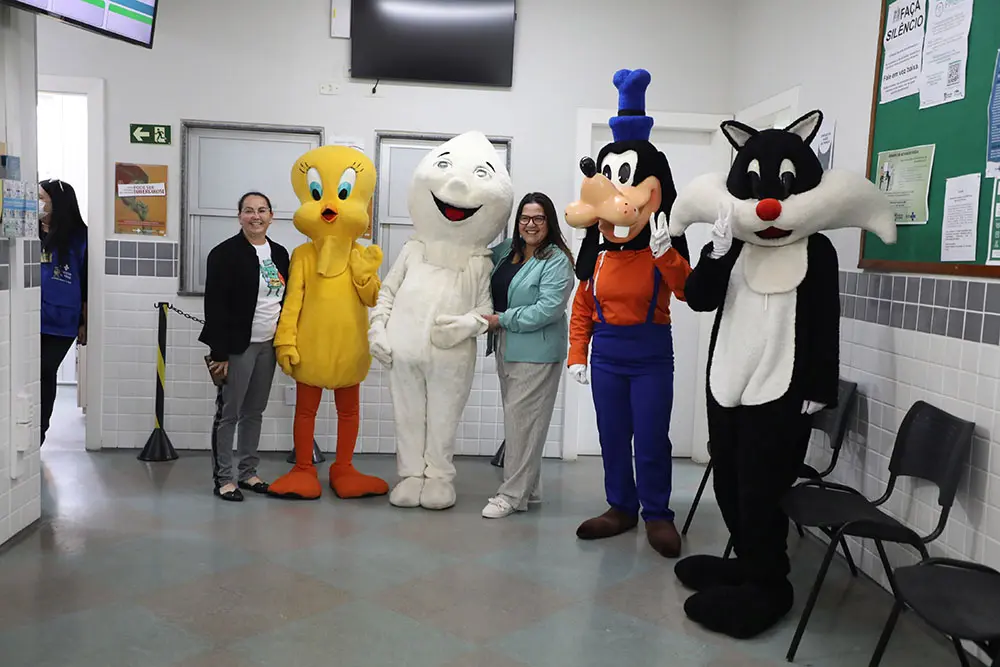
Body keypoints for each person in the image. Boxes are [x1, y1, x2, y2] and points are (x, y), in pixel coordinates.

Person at [482, 192, 574, 519]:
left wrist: (501, 320)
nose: (530, 224)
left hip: (537, 351)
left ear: (549, 222)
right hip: (507, 346)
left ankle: (510, 496)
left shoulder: (557, 260)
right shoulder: (508, 250)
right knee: (521, 422)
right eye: (524, 217)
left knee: (522, 424)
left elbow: (548, 309)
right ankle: (529, 489)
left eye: (538, 218)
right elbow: (477, 256)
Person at [198, 192, 289, 501]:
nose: (256, 216)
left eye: (262, 210)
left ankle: (248, 472)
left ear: (271, 216)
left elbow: (284, 299)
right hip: (237, 347)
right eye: (249, 211)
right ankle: (224, 478)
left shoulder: (279, 254)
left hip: (268, 346)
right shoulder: (224, 254)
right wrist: (219, 353)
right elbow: (215, 306)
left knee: (254, 412)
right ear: (239, 216)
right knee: (229, 413)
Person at [38, 179, 88, 446]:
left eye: (42, 198)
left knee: (46, 369)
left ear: (57, 203)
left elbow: (87, 282)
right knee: (29, 371)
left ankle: (40, 430)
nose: (38, 204)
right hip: (31, 317)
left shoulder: (80, 238)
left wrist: (84, 322)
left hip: (63, 320)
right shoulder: (29, 231)